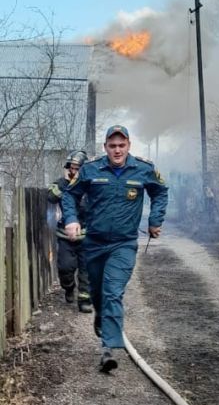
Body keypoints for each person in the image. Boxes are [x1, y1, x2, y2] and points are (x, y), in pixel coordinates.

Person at [62, 125, 168, 373]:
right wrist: (71, 219)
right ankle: (101, 318)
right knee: (98, 293)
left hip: (124, 244)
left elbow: (161, 192)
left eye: (121, 145)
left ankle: (108, 349)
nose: (117, 150)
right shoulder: (91, 170)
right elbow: (69, 195)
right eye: (112, 146)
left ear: (129, 145)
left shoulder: (143, 169)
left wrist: (155, 220)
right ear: (105, 147)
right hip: (95, 244)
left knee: (112, 291)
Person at [47, 150, 92, 313]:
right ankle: (68, 287)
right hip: (65, 236)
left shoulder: (91, 185)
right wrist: (66, 184)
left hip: (87, 237)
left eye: (77, 168)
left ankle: (84, 300)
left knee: (87, 270)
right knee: (66, 268)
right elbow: (51, 197)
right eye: (71, 168)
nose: (74, 171)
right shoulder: (61, 183)